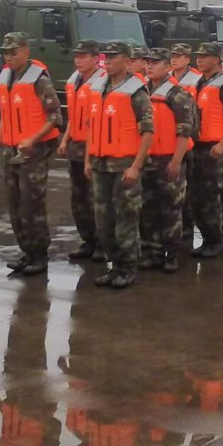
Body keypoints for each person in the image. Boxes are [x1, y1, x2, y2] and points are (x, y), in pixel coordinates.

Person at [0, 32, 63, 275]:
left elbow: (55, 117)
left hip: (36, 149)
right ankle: (26, 251)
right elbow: (8, 114)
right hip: (12, 148)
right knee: (15, 203)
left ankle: (39, 255)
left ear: (26, 52)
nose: (9, 57)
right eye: (6, 53)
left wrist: (33, 139)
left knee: (31, 203)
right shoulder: (6, 77)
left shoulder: (38, 79)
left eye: (14, 52)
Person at [84, 42, 154, 289]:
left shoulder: (136, 91)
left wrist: (136, 166)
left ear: (126, 62)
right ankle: (113, 267)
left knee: (126, 219)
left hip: (124, 165)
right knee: (104, 221)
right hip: (100, 164)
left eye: (113, 57)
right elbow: (92, 126)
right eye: (106, 57)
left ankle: (128, 268)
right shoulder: (98, 87)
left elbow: (147, 132)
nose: (107, 61)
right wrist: (88, 159)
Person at [140, 48, 196, 274]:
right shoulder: (142, 92)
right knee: (150, 209)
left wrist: (176, 161)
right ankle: (154, 252)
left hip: (169, 159)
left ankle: (171, 254)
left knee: (171, 209)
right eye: (148, 62)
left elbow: (185, 131)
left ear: (167, 67)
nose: (149, 66)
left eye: (155, 62)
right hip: (148, 159)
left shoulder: (177, 94)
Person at [188, 43, 223, 259]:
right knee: (197, 196)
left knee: (212, 196)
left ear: (216, 60)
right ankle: (208, 239)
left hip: (214, 146)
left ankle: (215, 241)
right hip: (197, 146)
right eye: (198, 56)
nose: (199, 60)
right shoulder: (201, 81)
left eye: (205, 56)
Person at [58, 40, 107, 261]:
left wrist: (89, 157)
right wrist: (65, 139)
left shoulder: (102, 82)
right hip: (76, 146)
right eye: (77, 56)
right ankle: (87, 240)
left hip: (94, 146)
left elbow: (94, 122)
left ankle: (102, 243)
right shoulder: (74, 81)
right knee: (78, 199)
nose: (79, 60)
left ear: (96, 58)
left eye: (84, 56)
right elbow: (73, 116)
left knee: (96, 198)